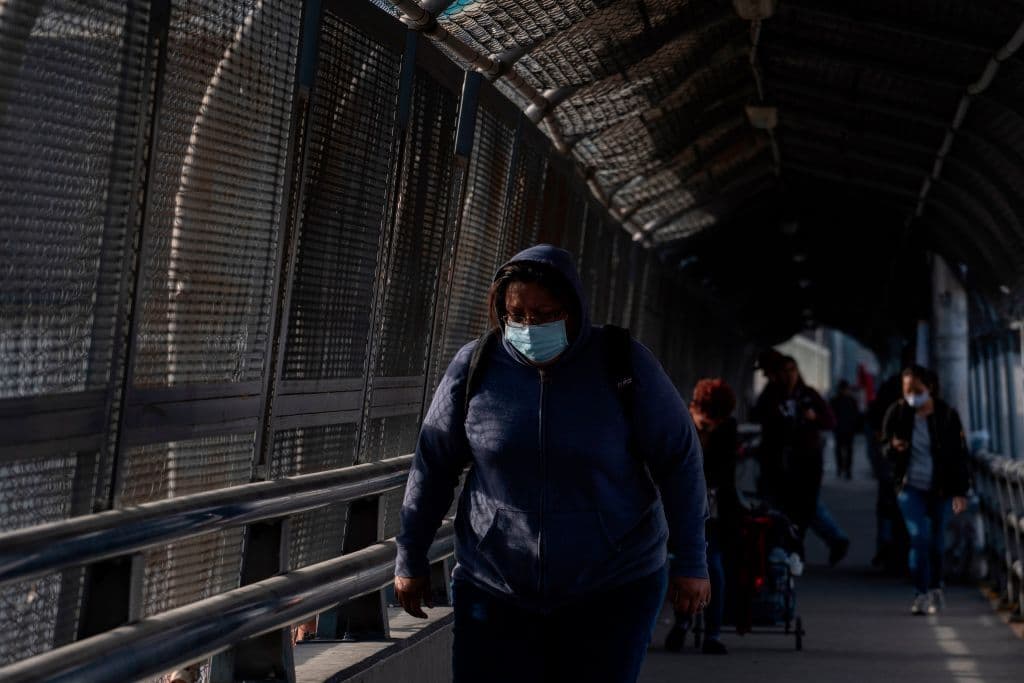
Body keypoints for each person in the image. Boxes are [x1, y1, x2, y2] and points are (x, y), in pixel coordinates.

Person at [394, 244, 710, 682]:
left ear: (574, 309)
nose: (529, 326)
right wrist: (410, 556)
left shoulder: (622, 362)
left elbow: (679, 461)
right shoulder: (477, 366)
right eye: (516, 314)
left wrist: (692, 560)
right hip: (494, 583)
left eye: (545, 315)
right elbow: (433, 464)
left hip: (612, 584)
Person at [882, 365, 970, 615]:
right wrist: (893, 447)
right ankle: (920, 593)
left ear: (929, 388)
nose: (912, 396)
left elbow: (959, 455)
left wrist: (960, 491)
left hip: (940, 489)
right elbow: (884, 446)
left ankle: (936, 587)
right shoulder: (897, 412)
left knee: (937, 542)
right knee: (919, 537)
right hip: (909, 487)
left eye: (917, 390)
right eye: (907, 390)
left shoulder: (946, 415)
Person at [665, 379, 740, 655]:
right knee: (677, 565)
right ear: (694, 409)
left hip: (714, 512)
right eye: (706, 424)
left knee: (713, 568)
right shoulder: (679, 422)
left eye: (716, 424)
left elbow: (725, 474)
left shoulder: (727, 429)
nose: (711, 429)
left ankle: (712, 633)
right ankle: (682, 621)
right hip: (677, 509)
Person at [759, 356, 836, 550]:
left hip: (807, 460)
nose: (789, 375)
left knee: (806, 508)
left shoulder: (808, 395)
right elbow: (759, 415)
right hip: (779, 461)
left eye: (792, 369)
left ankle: (800, 547)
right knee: (783, 508)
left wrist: (814, 417)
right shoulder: (772, 395)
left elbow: (830, 420)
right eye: (785, 370)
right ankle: (788, 549)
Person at [830, 380, 860, 480]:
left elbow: (855, 415)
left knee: (845, 450)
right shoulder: (848, 400)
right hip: (842, 429)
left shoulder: (842, 400)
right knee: (843, 450)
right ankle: (844, 469)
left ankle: (845, 469)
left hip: (845, 429)